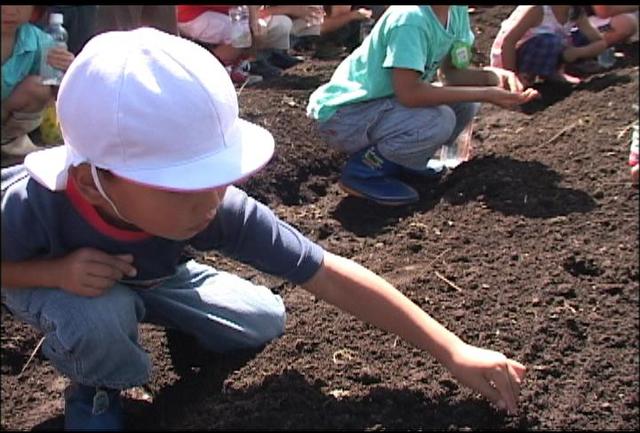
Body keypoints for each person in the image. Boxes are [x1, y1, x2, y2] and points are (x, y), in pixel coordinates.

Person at [1, 28, 527, 430]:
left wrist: (452, 350)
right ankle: (95, 389)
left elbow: (328, 274)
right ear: (93, 185)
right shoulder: (29, 204)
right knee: (97, 314)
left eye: (217, 177)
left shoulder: (211, 207)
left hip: (153, 277)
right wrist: (54, 271)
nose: (210, 200)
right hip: (52, 282)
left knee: (263, 320)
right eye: (182, 184)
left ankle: (174, 324)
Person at [307, 5, 539, 206]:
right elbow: (409, 94)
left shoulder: (455, 12)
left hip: (383, 103)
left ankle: (407, 162)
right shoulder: (411, 19)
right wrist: (487, 94)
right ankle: (364, 172)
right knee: (439, 119)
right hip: (344, 115)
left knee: (465, 103)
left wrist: (493, 77)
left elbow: (451, 75)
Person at [1, 5, 74, 157]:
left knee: (39, 87)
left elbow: (55, 86)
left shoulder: (37, 40)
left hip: (6, 112)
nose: (9, 10)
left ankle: (8, 140)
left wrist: (68, 67)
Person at [490, 6, 609, 87]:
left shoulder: (575, 11)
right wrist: (510, 77)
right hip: (512, 57)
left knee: (580, 37)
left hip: (547, 50)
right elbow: (508, 42)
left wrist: (578, 52)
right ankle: (525, 76)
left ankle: (554, 72)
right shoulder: (537, 10)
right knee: (551, 41)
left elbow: (600, 42)